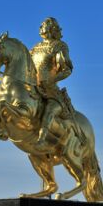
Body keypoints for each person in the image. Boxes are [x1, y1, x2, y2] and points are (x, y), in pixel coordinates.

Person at [30, 17, 73, 149]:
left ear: (52, 28)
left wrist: (52, 80)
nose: (41, 27)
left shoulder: (59, 46)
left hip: (50, 90)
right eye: (41, 25)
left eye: (44, 25)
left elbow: (67, 69)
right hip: (34, 86)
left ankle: (42, 138)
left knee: (49, 110)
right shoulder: (35, 47)